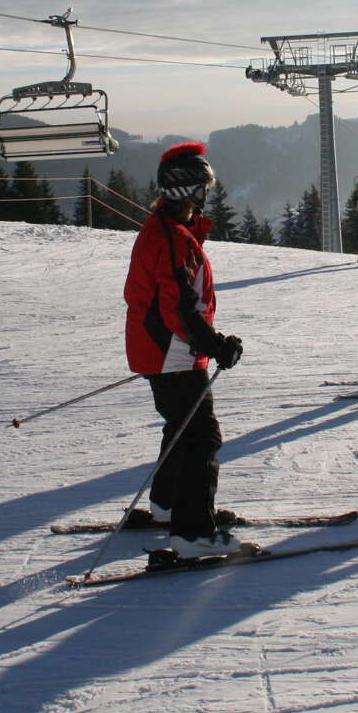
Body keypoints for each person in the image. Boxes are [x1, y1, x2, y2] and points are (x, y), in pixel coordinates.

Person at [124, 142, 247, 558]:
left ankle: (169, 506)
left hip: (165, 349)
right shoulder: (170, 238)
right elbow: (175, 307)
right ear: (186, 191)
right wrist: (213, 344)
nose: (206, 196)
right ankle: (192, 534)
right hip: (170, 352)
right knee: (200, 435)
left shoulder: (171, 231)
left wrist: (210, 342)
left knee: (181, 427)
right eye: (202, 188)